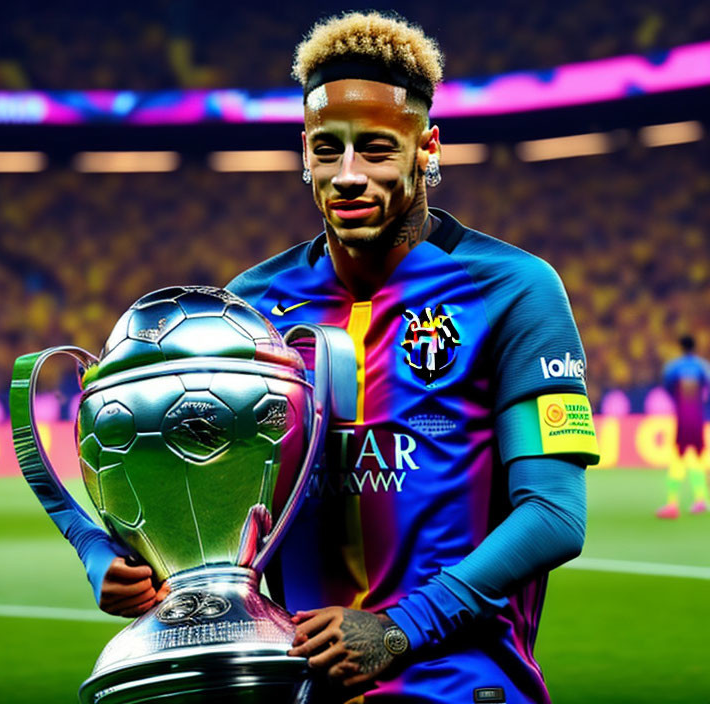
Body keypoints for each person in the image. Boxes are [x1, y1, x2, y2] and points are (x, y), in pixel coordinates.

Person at [69, 11, 599, 703]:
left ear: (427, 148)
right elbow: (209, 498)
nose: (348, 175)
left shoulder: (513, 289)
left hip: (457, 682)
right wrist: (114, 557)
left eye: (377, 149)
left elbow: (554, 515)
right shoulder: (250, 305)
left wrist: (399, 627)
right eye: (328, 149)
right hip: (289, 681)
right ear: (304, 153)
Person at [655, 335, 710, 519]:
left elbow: (668, 388)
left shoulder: (674, 367)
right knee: (697, 459)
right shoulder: (703, 367)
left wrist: (678, 402)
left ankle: (672, 504)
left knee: (678, 459)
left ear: (680, 346)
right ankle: (701, 500)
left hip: (683, 419)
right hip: (698, 419)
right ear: (695, 347)